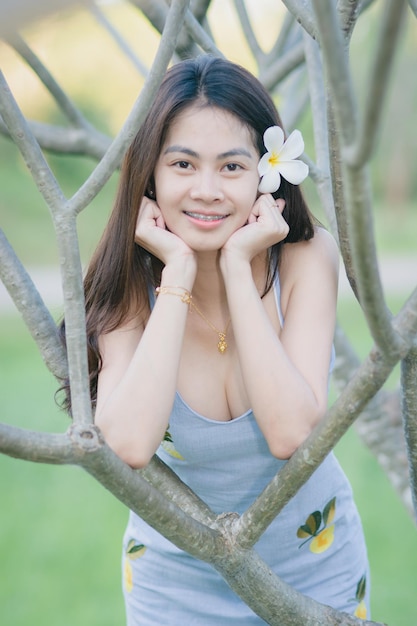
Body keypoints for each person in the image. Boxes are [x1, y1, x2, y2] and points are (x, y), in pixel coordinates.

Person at [64, 55, 370, 623]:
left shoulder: (306, 257)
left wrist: (235, 265)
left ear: (266, 174)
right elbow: (127, 444)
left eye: (231, 167)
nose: (207, 190)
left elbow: (290, 433)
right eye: (183, 164)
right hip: (175, 585)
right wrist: (177, 274)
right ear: (150, 173)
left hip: (314, 568)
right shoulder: (130, 279)